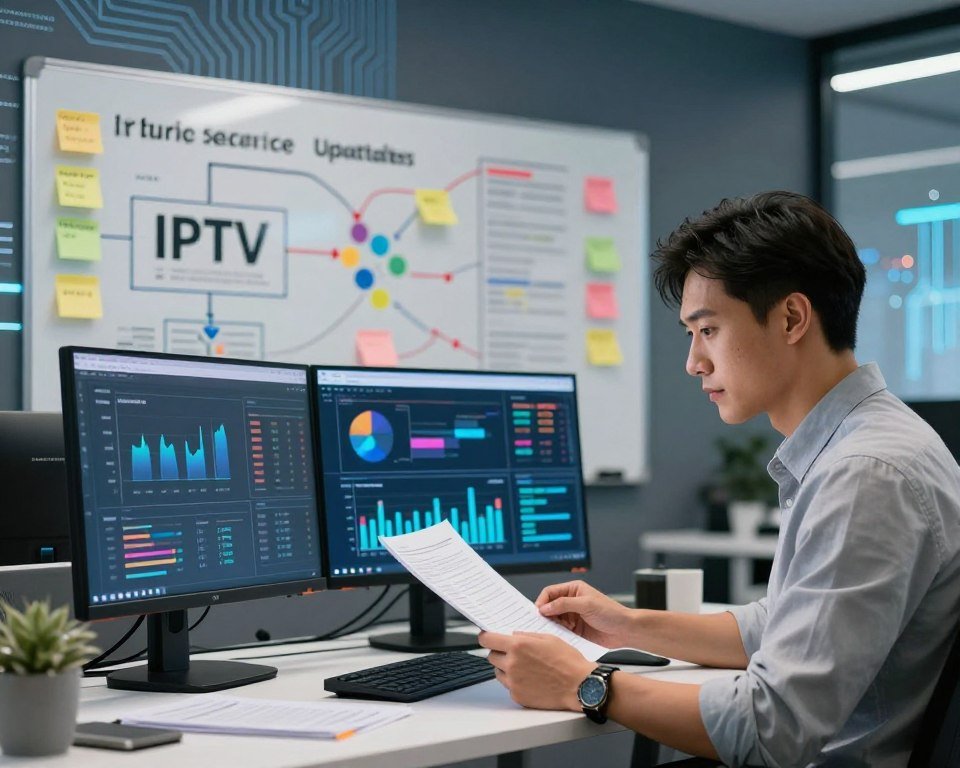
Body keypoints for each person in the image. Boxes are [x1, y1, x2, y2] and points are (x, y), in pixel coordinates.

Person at [479, 191, 960, 767]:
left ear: (791, 318)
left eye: (707, 329)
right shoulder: (867, 446)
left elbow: (774, 727)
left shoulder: (866, 474)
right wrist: (628, 626)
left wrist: (586, 684)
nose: (694, 362)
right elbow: (784, 622)